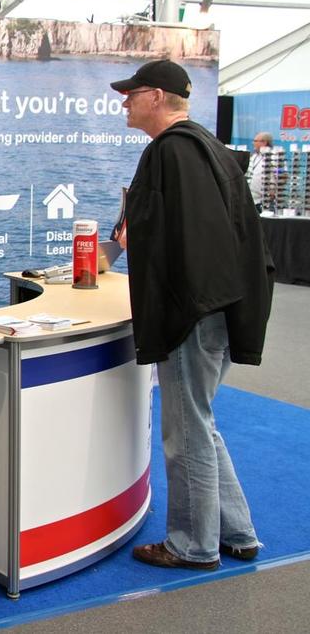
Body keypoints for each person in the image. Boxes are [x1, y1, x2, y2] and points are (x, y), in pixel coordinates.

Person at [110, 59, 273, 571]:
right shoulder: (209, 149)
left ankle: (191, 545)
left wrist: (135, 236)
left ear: (156, 96)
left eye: (131, 93)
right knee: (200, 423)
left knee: (186, 432)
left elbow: (182, 242)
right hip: (221, 308)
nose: (124, 101)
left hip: (193, 314)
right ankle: (237, 530)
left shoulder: (171, 153)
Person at [248, 131, 273, 212]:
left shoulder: (274, 157)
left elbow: (282, 176)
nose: (253, 143)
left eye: (255, 141)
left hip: (263, 200)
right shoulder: (253, 156)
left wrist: (272, 190)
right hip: (250, 199)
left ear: (264, 142)